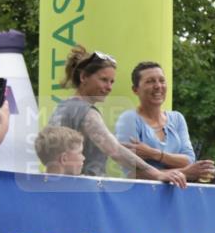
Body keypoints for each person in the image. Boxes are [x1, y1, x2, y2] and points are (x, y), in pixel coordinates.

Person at [46, 46, 186, 187]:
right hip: (82, 191)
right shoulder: (86, 112)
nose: (109, 87)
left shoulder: (63, 107)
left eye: (112, 82)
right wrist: (157, 174)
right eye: (104, 80)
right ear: (83, 77)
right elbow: (114, 149)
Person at [115, 62, 214, 181]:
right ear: (135, 89)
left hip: (177, 191)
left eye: (161, 80)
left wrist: (153, 154)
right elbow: (132, 172)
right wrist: (184, 172)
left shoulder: (177, 118)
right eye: (150, 81)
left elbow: (189, 160)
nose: (158, 86)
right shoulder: (129, 119)